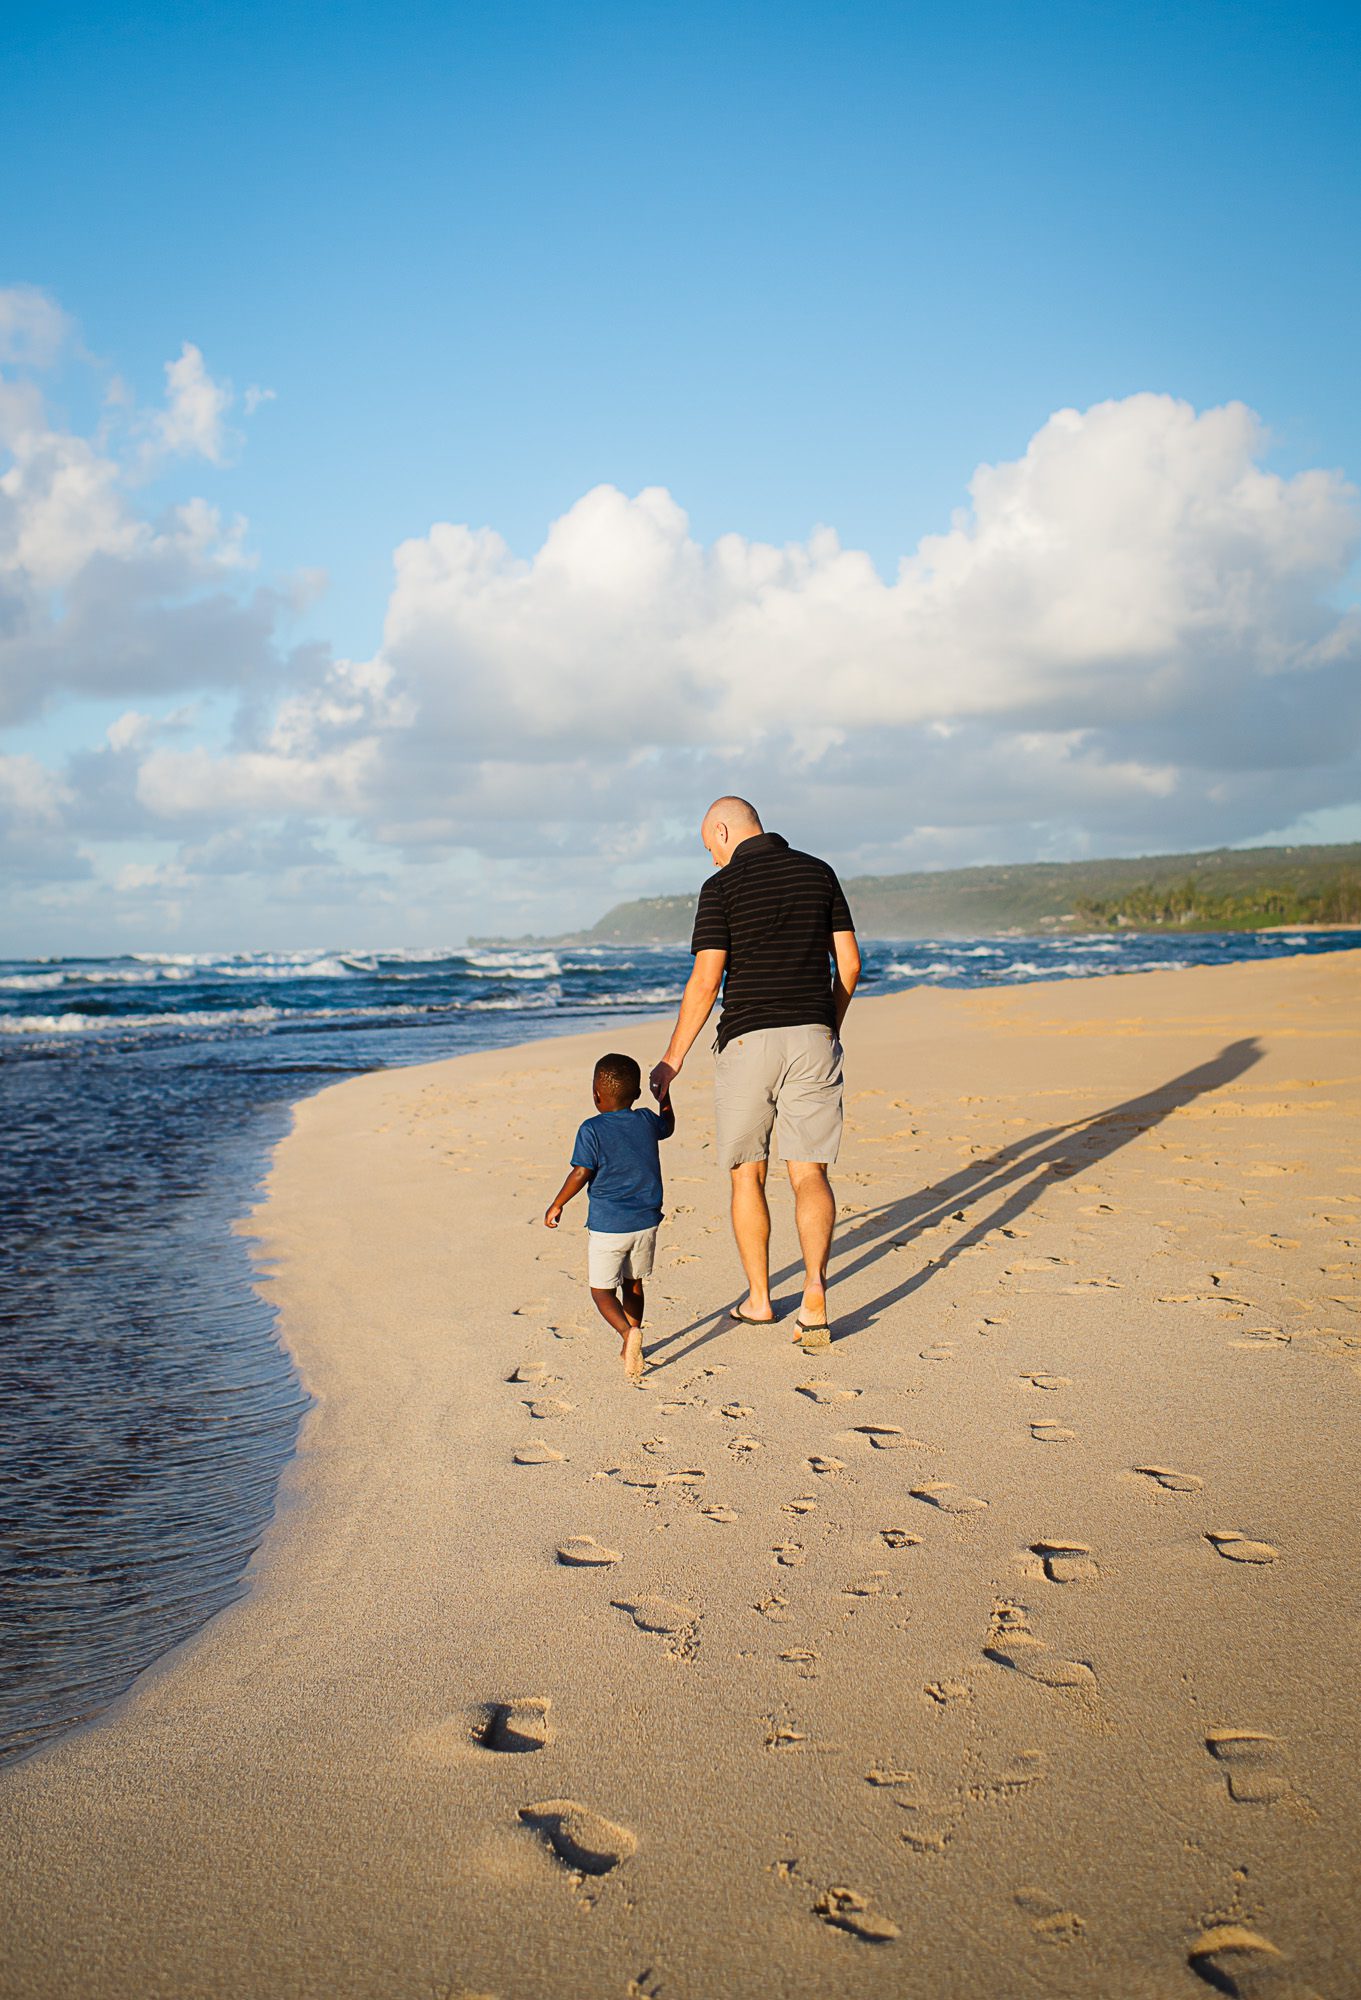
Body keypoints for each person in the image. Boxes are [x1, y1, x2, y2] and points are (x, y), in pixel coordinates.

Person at [649, 798, 860, 1348]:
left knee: (748, 1173)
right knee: (809, 1174)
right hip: (814, 1037)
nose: (714, 858)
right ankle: (814, 1294)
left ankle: (761, 1300)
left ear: (723, 830)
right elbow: (852, 965)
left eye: (709, 847)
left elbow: (705, 981)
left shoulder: (721, 888)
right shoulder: (819, 872)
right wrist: (826, 1024)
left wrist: (673, 1059)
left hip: (748, 1041)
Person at [544, 1052, 675, 1380]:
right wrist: (666, 1097)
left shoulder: (592, 1129)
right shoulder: (646, 1119)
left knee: (602, 1291)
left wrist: (557, 1203)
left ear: (596, 1094)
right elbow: (668, 1126)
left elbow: (581, 1172)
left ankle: (627, 1334)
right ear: (637, 1094)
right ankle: (635, 1336)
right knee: (633, 1284)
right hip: (646, 1222)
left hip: (609, 1226)